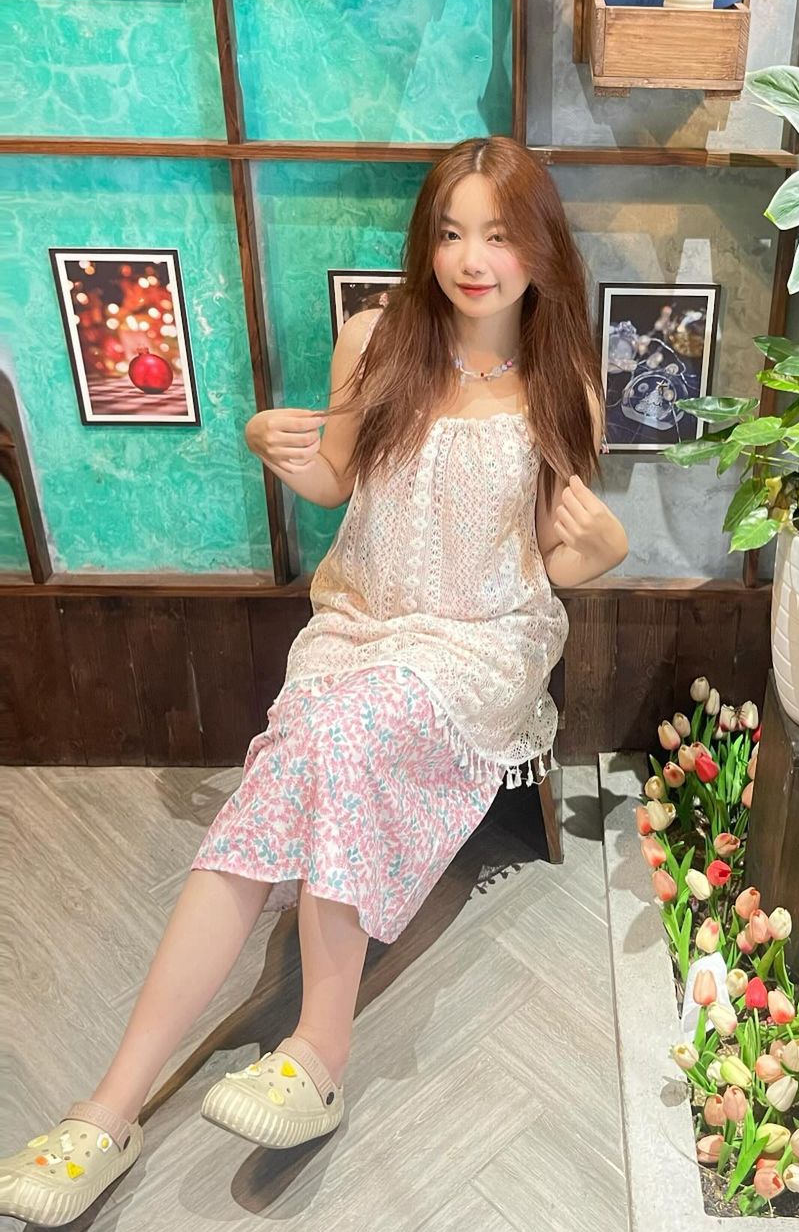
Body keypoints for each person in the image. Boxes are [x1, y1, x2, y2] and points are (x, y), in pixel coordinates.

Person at [0, 134, 629, 1227]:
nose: (472, 259)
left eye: (498, 235)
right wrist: (272, 441)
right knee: (292, 768)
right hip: (360, 621)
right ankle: (110, 1109)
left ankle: (312, 1049)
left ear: (540, 248)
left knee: (336, 738)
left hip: (480, 640)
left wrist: (604, 552)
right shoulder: (375, 339)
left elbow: (545, 559)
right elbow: (339, 477)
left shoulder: (563, 379)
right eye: (451, 233)